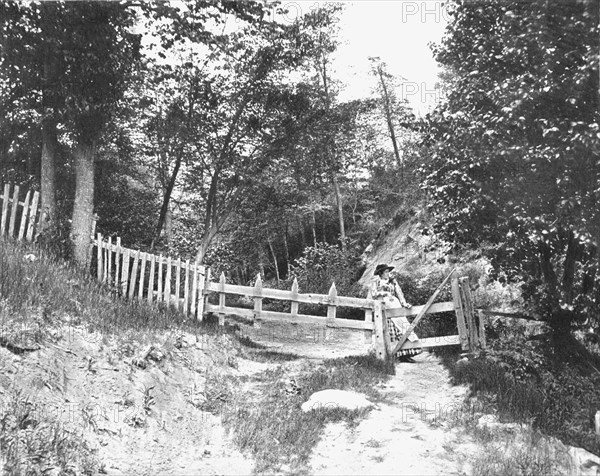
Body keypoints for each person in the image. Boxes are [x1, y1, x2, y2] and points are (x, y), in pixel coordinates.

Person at [371, 263, 422, 362]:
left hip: (394, 304)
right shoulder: (376, 282)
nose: (388, 273)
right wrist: (384, 293)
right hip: (383, 306)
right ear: (380, 273)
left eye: (388, 271)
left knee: (402, 326)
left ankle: (405, 354)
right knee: (389, 329)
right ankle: (392, 354)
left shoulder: (393, 282)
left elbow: (399, 292)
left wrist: (404, 303)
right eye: (386, 272)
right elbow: (373, 294)